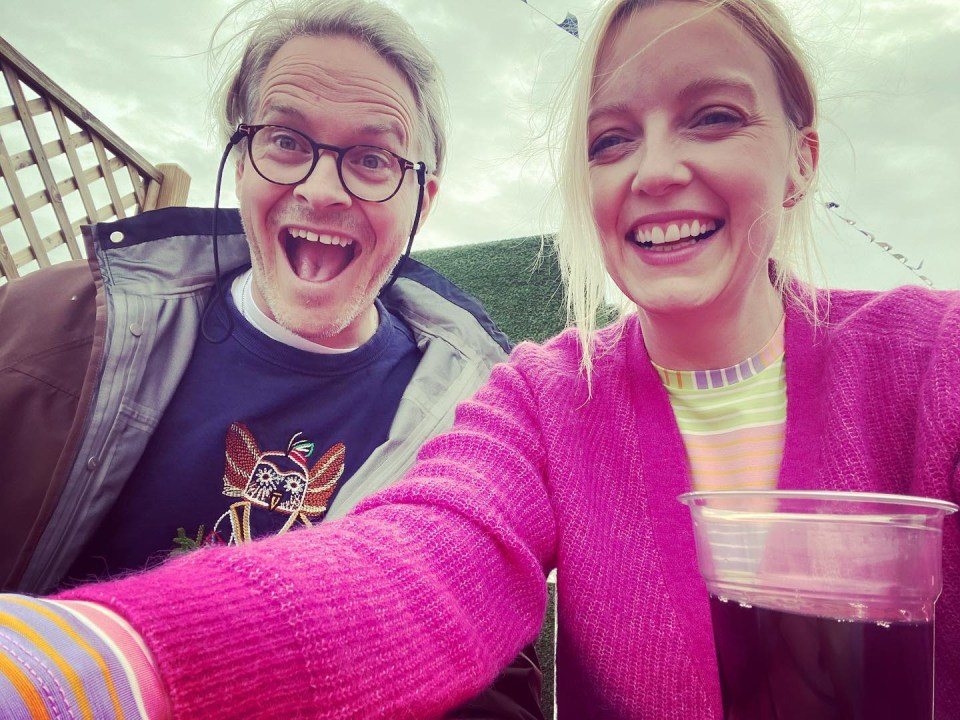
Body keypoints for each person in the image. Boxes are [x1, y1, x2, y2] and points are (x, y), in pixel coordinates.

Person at [3, 0, 959, 717]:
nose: (654, 169)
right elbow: (421, 568)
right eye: (611, 138)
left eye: (714, 117)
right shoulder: (547, 399)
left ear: (802, 159)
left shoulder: (932, 359)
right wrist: (95, 660)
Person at [0, 0, 542, 717]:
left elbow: (493, 682)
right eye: (286, 140)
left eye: (373, 158)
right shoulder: (41, 330)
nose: (320, 190)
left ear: (423, 201)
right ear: (241, 158)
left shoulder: (475, 425)